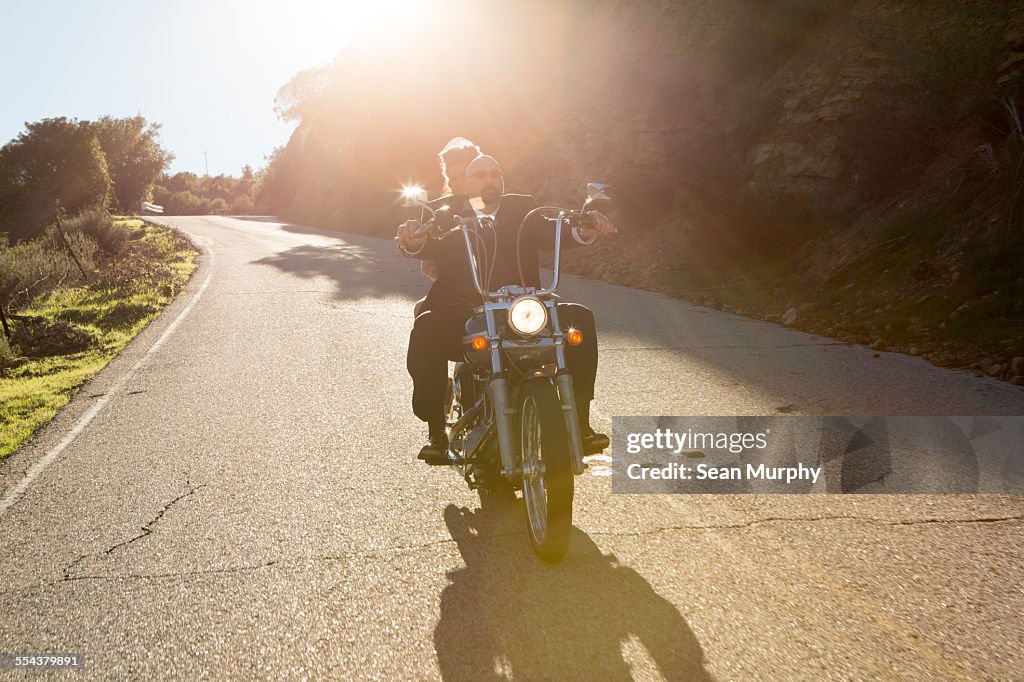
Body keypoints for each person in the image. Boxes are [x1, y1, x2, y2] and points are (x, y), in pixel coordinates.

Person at [398, 153, 616, 462]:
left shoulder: (523, 208)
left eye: (494, 173)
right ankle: (436, 430)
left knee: (579, 318)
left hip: (524, 307)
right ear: (465, 183)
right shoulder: (447, 214)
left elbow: (554, 229)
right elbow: (426, 241)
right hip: (466, 309)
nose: (489, 180)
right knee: (427, 327)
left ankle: (581, 423)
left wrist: (584, 229)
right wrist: (411, 239)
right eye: (480, 175)